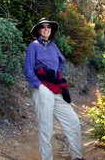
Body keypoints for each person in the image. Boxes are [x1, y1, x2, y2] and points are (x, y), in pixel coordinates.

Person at [24, 17, 84, 160]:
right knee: (46, 127)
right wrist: (39, 85)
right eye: (43, 27)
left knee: (73, 121)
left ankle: (77, 156)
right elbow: (28, 70)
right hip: (42, 88)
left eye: (48, 27)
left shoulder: (53, 46)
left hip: (55, 87)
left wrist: (56, 74)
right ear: (39, 30)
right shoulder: (33, 46)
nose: (46, 29)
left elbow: (62, 61)